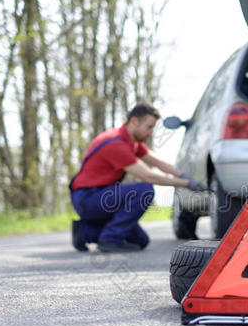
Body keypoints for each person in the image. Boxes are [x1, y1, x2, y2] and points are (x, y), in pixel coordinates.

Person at [69, 102, 206, 253]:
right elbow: (148, 176)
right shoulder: (115, 143)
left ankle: (84, 231)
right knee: (144, 190)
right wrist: (186, 183)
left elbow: (157, 162)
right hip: (87, 198)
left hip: (102, 196)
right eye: (149, 127)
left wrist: (181, 174)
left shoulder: (131, 141)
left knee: (141, 241)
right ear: (134, 121)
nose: (151, 132)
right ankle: (109, 239)